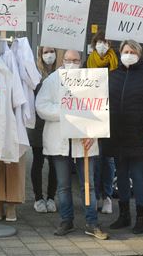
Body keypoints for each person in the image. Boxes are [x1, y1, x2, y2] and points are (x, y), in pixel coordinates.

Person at [36, 49, 109, 240]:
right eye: (68, 60)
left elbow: (100, 109)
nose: (71, 63)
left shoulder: (92, 80)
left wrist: (93, 133)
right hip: (60, 142)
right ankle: (66, 220)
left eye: (75, 60)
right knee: (63, 185)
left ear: (81, 61)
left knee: (89, 185)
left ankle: (92, 222)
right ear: (62, 60)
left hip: (84, 141)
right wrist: (66, 112)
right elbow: (41, 106)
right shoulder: (52, 80)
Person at [103, 39, 143, 234]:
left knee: (137, 176)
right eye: (125, 51)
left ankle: (141, 217)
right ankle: (124, 216)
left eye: (132, 51)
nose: (128, 54)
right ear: (120, 53)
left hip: (139, 138)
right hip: (117, 137)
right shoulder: (112, 76)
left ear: (139, 54)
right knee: (120, 177)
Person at [85, 31, 118, 215]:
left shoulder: (117, 63)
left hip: (111, 115)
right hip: (93, 114)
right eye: (98, 42)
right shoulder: (88, 63)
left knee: (108, 159)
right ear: (94, 44)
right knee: (95, 159)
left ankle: (107, 197)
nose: (102, 45)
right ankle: (96, 195)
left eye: (104, 42)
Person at [28, 46, 58, 213]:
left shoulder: (61, 72)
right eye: (46, 52)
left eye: (51, 51)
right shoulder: (34, 73)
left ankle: (51, 197)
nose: (49, 55)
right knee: (38, 161)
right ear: (40, 54)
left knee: (55, 163)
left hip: (55, 124)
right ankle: (38, 198)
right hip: (38, 126)